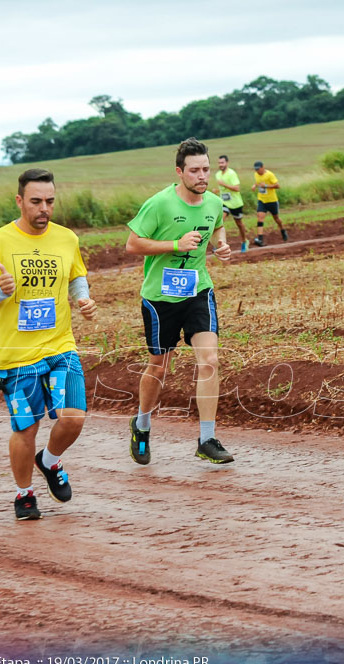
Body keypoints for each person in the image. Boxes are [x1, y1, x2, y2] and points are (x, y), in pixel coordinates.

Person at [0, 168, 97, 520]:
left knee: (73, 417)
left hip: (60, 346)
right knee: (27, 428)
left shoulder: (66, 238)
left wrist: (83, 299)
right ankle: (24, 494)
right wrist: (0, 290)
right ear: (20, 201)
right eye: (36, 201)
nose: (44, 209)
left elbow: (77, 276)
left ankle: (50, 461)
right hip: (16, 354)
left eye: (50, 202)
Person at [125, 138, 234, 465]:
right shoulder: (160, 204)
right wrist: (175, 243)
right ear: (179, 172)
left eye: (206, 169)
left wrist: (222, 246)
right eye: (195, 170)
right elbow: (132, 245)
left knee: (209, 361)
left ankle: (207, 438)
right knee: (159, 367)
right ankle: (142, 424)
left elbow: (218, 227)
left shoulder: (213, 202)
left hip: (199, 290)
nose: (202, 175)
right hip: (161, 298)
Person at [215, 154, 249, 252]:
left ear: (227, 163)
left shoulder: (231, 173)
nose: (220, 164)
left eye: (222, 162)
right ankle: (218, 244)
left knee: (239, 224)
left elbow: (237, 188)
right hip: (224, 203)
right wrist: (217, 190)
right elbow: (223, 189)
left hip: (235, 204)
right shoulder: (218, 174)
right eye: (219, 163)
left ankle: (244, 241)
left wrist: (223, 184)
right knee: (220, 222)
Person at [250, 161, 287, 246]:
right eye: (255, 169)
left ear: (262, 167)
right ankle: (260, 239)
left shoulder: (269, 174)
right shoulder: (256, 174)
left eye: (258, 169)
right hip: (262, 200)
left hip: (272, 201)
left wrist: (266, 186)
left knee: (276, 218)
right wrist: (254, 185)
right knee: (260, 218)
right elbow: (258, 181)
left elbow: (277, 185)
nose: (257, 171)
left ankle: (282, 230)